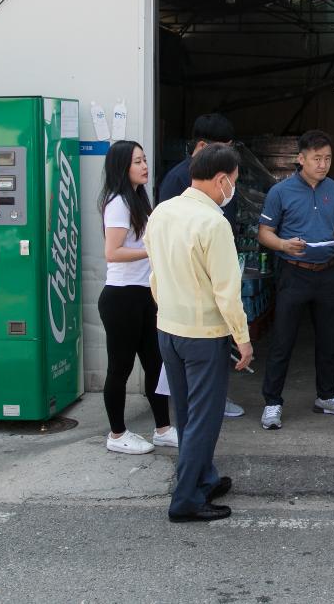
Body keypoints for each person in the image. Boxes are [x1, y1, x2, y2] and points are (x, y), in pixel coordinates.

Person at [144, 144, 253, 523]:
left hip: (168, 328)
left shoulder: (162, 211)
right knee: (204, 420)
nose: (232, 189)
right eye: (234, 182)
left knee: (187, 413)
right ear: (222, 179)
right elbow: (227, 290)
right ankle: (186, 499)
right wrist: (243, 338)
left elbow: (154, 272)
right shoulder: (214, 223)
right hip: (204, 333)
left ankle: (202, 477)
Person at [257, 129, 334, 430]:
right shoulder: (281, 192)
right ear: (300, 159)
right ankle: (272, 403)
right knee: (282, 341)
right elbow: (264, 233)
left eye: (327, 158)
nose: (323, 164)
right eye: (316, 158)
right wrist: (284, 245)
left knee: (328, 340)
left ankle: (327, 396)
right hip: (293, 272)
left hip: (327, 273)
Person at [156, 112, 245, 419]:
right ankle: (193, 465)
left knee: (191, 409)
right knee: (197, 409)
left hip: (181, 315)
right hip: (193, 310)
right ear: (203, 145)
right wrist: (242, 338)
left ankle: (192, 464)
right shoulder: (178, 182)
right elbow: (167, 252)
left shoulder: (222, 179)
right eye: (223, 147)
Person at [97, 140, 176, 455]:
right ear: (122, 167)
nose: (144, 166)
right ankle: (117, 435)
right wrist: (152, 250)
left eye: (144, 160)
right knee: (120, 368)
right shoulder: (118, 202)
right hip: (121, 298)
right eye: (137, 162)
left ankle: (163, 429)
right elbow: (112, 253)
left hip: (145, 295)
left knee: (157, 365)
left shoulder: (140, 198)